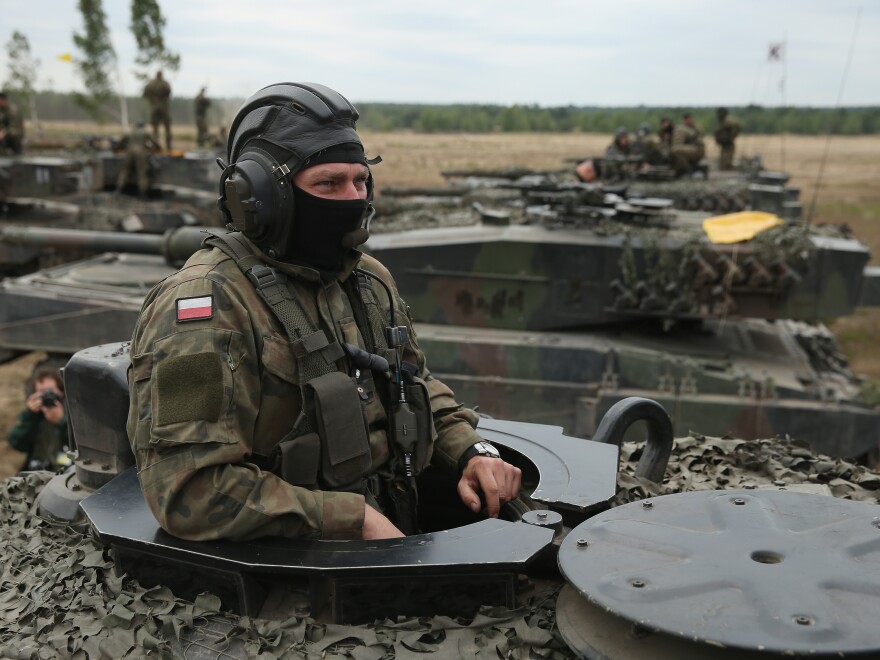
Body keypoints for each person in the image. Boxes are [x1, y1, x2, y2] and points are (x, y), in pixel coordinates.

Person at [126, 82, 522, 543]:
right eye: (328, 184)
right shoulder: (203, 310)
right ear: (259, 197)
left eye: (360, 180)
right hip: (298, 579)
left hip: (393, 544)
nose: (354, 199)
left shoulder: (367, 280)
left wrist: (472, 451)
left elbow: (412, 384)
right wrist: (352, 519)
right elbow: (189, 491)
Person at [7, 366, 70, 471]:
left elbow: (81, 445)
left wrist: (61, 421)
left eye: (51, 390)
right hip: (39, 470)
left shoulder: (71, 411)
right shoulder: (34, 416)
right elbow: (16, 442)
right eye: (42, 391)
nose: (47, 395)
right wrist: (30, 415)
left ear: (61, 391)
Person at [116, 120, 160, 197]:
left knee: (124, 170)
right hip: (141, 153)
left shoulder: (130, 132)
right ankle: (143, 193)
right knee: (142, 172)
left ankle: (119, 189)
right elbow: (154, 143)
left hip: (129, 152)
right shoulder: (145, 133)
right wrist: (157, 148)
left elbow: (122, 141)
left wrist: (118, 148)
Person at [143, 71, 172, 151]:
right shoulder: (165, 83)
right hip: (164, 108)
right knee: (167, 128)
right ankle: (169, 147)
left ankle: (155, 147)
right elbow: (169, 92)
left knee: (155, 129)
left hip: (154, 108)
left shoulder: (151, 84)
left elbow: (145, 94)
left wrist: (152, 99)